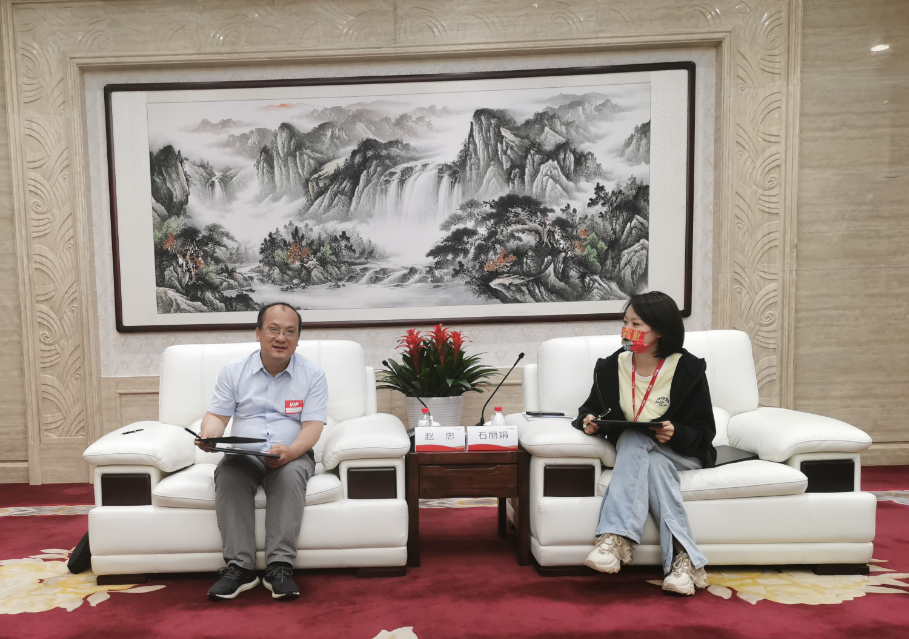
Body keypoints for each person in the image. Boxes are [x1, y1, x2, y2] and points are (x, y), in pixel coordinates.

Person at [573, 291, 716, 596]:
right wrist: (589, 420)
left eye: (636, 324)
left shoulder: (687, 369)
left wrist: (676, 432)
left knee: (635, 437)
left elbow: (705, 431)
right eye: (625, 322)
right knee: (651, 460)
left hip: (683, 453)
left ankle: (616, 538)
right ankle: (684, 562)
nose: (627, 330)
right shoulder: (612, 367)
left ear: (660, 330)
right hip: (642, 455)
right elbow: (589, 408)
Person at [196, 302, 327, 601]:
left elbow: (313, 426)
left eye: (290, 332)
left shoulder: (313, 375)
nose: (281, 338)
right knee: (228, 473)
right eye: (273, 329)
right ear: (258, 333)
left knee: (289, 476)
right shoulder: (234, 371)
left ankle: (279, 567)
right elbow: (217, 416)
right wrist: (209, 435)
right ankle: (239, 568)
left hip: (292, 454)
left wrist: (291, 452)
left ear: (298, 338)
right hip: (246, 455)